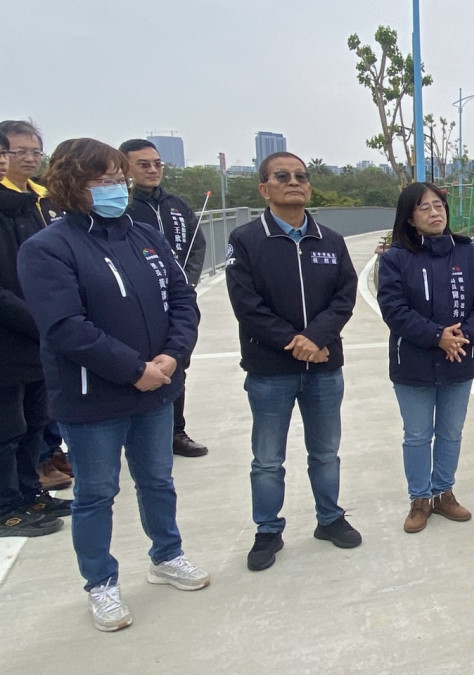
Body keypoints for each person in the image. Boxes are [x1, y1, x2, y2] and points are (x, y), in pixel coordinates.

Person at [16, 138, 209, 632]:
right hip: (92, 396)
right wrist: (133, 369)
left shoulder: (144, 236)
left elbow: (182, 301)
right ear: (72, 184)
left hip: (157, 386)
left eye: (119, 179)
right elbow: (65, 328)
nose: (116, 189)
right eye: (103, 181)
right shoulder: (47, 249)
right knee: (97, 493)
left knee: (157, 479)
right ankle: (100, 583)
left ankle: (167, 555)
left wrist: (171, 356)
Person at [225, 151, 360, 571]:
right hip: (270, 371)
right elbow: (247, 305)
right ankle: (268, 530)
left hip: (323, 366)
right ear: (264, 188)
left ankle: (330, 518)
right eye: (282, 176)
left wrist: (317, 339)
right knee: (267, 458)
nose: (294, 182)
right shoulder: (246, 240)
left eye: (301, 176)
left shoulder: (331, 241)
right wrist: (295, 342)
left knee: (325, 452)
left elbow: (345, 296)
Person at [377, 182, 474, 534]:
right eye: (424, 208)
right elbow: (394, 310)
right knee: (416, 434)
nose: (435, 212)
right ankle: (419, 499)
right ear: (410, 218)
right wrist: (437, 336)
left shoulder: (469, 254)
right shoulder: (396, 258)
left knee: (451, 432)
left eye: (439, 205)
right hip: (412, 363)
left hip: (458, 360)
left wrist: (461, 338)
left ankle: (444, 493)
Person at [120, 139, 209, 458]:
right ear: (125, 167)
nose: (152, 169)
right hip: (135, 302)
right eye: (143, 164)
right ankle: (132, 432)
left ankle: (175, 431)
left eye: (157, 163)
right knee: (134, 363)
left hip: (177, 298)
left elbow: (197, 244)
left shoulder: (175, 204)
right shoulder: (123, 206)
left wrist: (188, 281)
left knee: (176, 361)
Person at [0, 131, 69, 536]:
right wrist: (38, 318)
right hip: (12, 337)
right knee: (5, 429)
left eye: (34, 151)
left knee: (32, 422)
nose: (28, 159)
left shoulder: (36, 204)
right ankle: (7, 506)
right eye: (17, 151)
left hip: (37, 339)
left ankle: (30, 495)